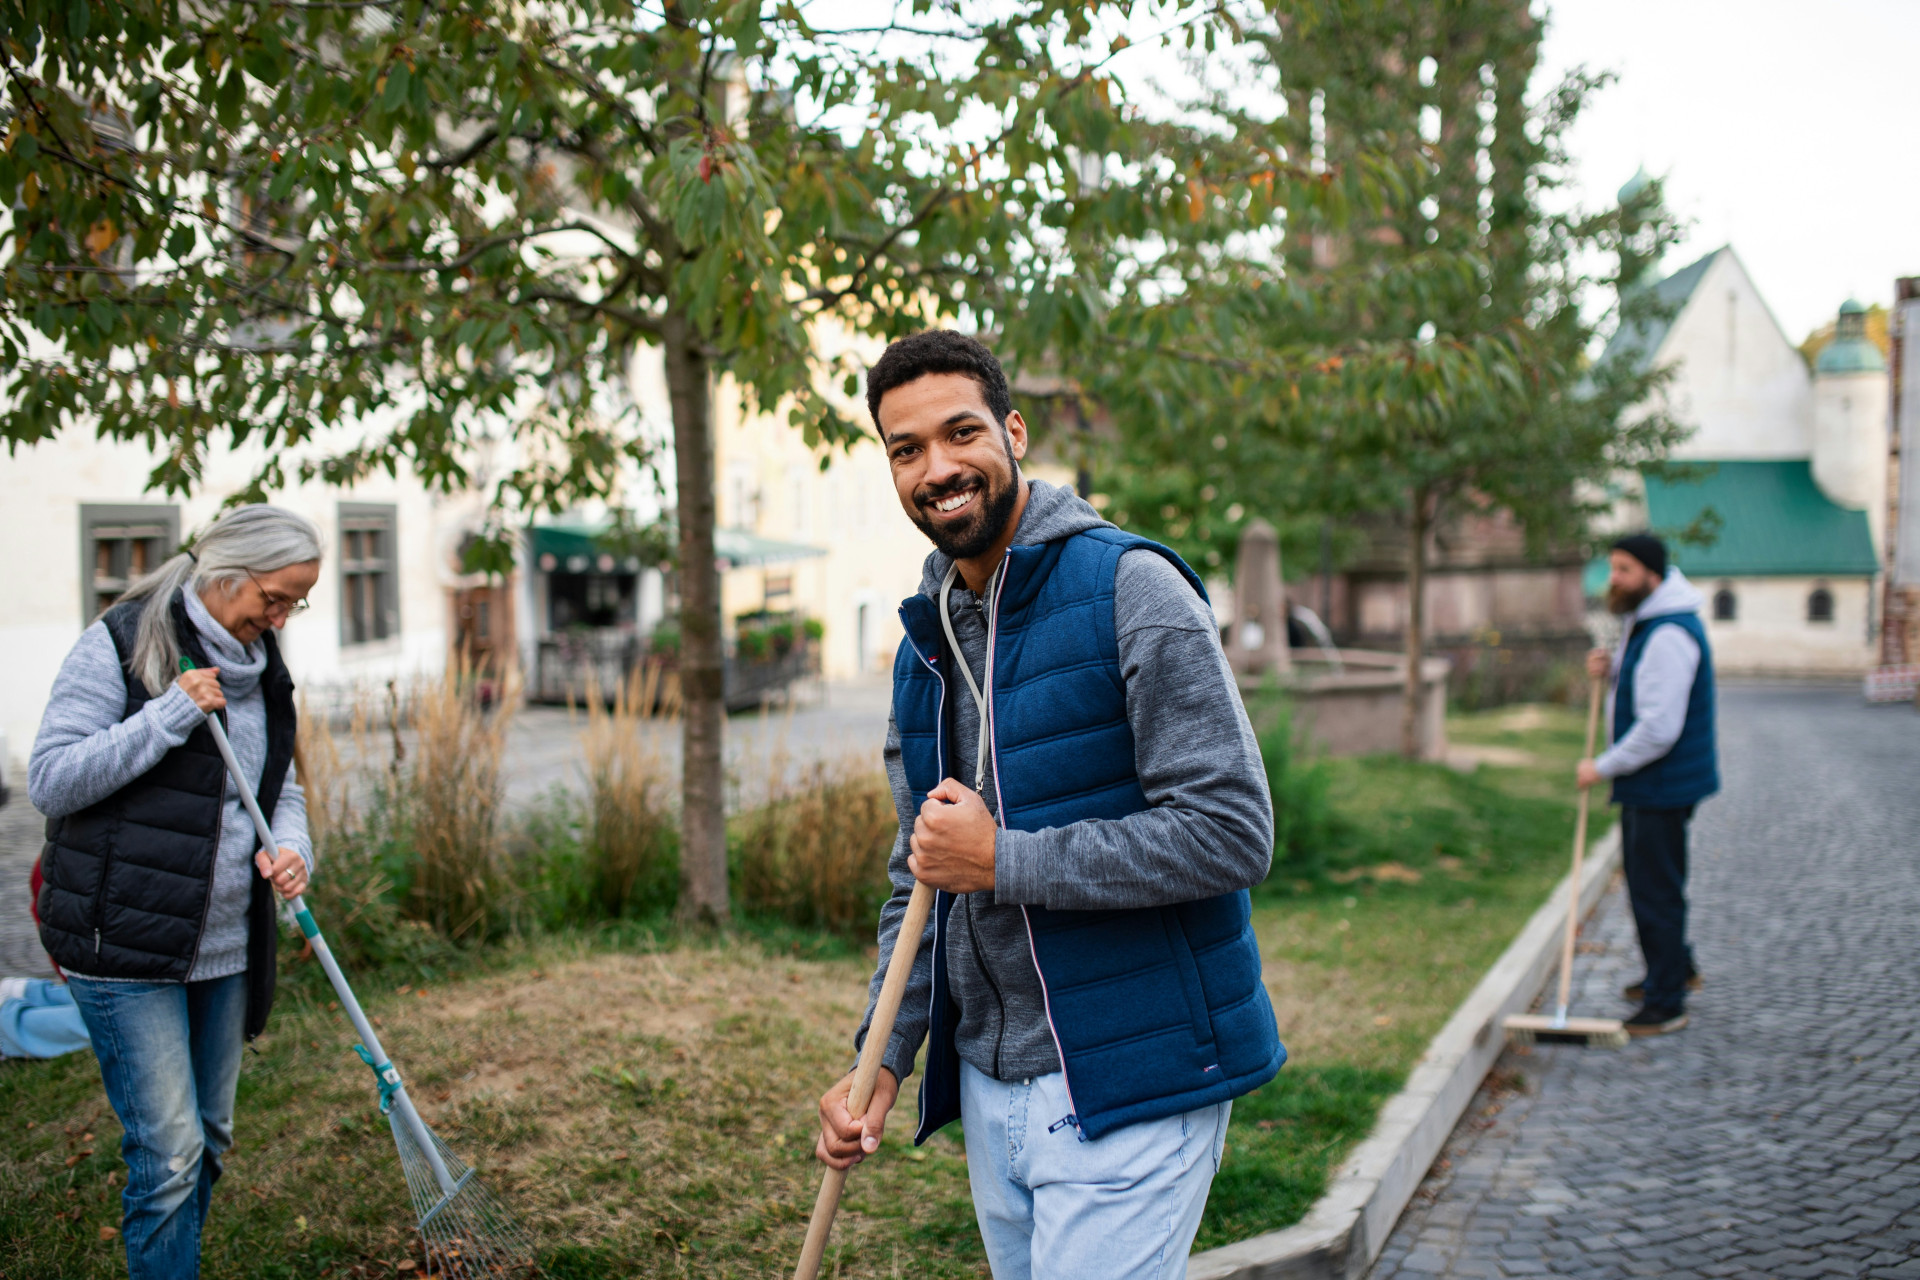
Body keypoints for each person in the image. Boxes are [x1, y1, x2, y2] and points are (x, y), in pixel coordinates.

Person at [815, 331, 1284, 1279]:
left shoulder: (1131, 588)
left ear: (1014, 432)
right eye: (907, 450)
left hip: (1136, 1079)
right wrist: (883, 1059)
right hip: (993, 1089)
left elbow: (1233, 832)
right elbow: (922, 878)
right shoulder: (923, 645)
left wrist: (1004, 860)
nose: (937, 469)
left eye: (961, 433)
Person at [29, 505, 322, 1280]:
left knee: (209, 1140)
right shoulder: (122, 643)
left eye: (295, 603)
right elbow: (51, 780)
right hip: (124, 945)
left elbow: (280, 788)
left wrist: (293, 849)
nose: (281, 618)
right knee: (170, 1155)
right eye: (274, 598)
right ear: (226, 573)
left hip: (226, 946)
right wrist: (168, 715)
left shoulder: (263, 665)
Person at [1576, 533, 1718, 1038]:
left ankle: (1665, 1002)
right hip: (1657, 782)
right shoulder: (1649, 620)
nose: (1614, 579)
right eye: (1613, 568)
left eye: (1624, 570)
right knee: (1652, 883)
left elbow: (1659, 728)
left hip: (1661, 783)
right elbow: (1645, 688)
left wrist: (1602, 767)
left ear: (1652, 576)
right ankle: (1675, 969)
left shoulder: (1667, 633)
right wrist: (1613, 669)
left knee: (1655, 890)